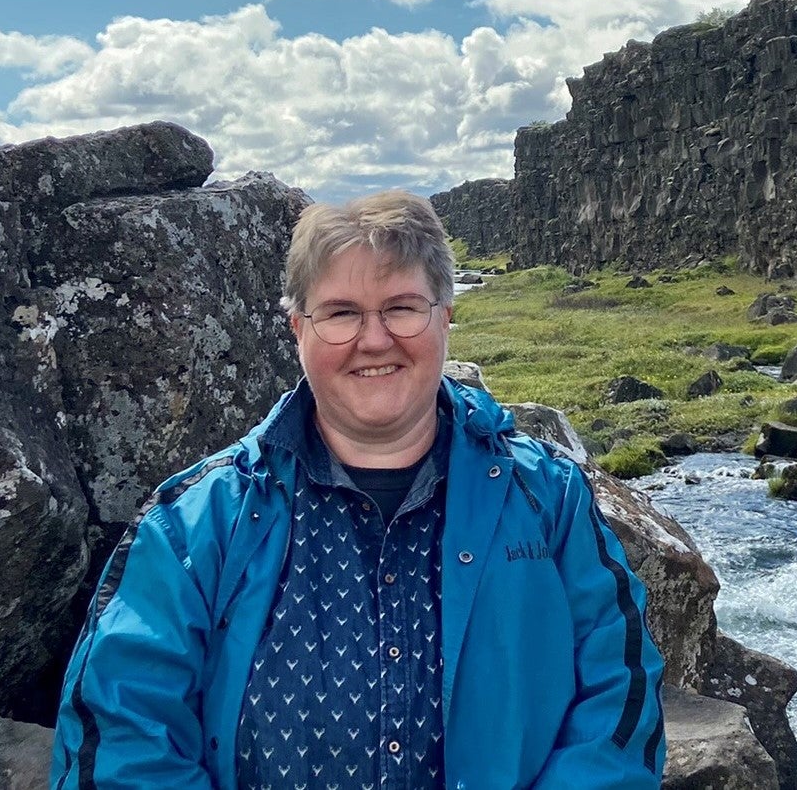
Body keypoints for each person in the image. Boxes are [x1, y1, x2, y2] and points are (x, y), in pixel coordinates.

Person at [52, 189, 665, 789]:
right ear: (298, 330)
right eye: (342, 313)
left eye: (401, 307)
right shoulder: (196, 523)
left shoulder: (550, 500)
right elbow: (123, 735)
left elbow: (619, 706)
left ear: (446, 316)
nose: (374, 340)